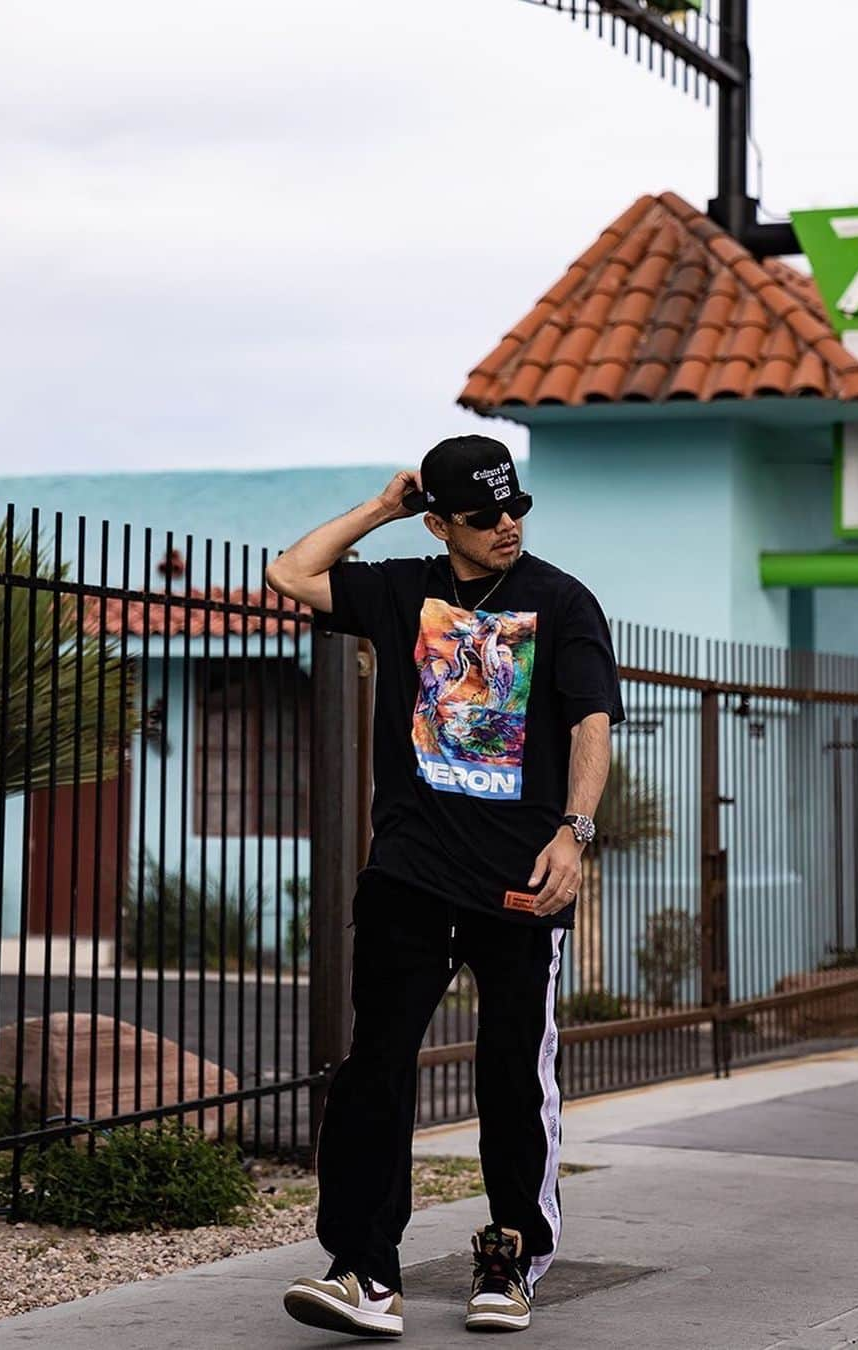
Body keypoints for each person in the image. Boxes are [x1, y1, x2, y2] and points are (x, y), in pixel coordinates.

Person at [267, 435, 625, 1337]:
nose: (506, 525)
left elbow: (590, 724)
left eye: (516, 508)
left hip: (520, 880)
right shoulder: (400, 588)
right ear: (440, 522)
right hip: (410, 872)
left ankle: (509, 1260)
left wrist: (574, 835)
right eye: (482, 515)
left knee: (511, 1076)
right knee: (374, 1070)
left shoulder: (561, 600)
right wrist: (381, 509)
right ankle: (363, 1272)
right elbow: (291, 572)